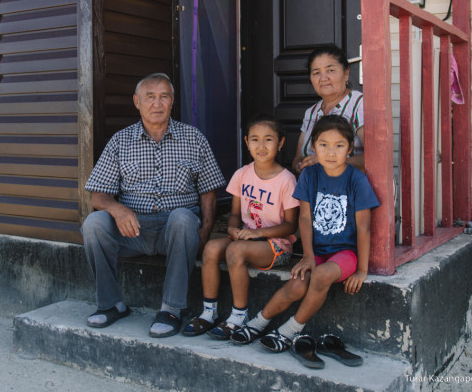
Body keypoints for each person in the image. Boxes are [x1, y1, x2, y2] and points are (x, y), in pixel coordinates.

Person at [81, 73, 226, 338]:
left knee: (183, 217)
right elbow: (98, 196)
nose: (157, 103)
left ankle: (171, 309)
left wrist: (204, 233)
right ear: (137, 102)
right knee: (94, 223)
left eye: (164, 96)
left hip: (175, 230)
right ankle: (111, 304)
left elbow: (209, 192)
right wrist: (119, 210)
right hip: (132, 230)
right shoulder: (120, 141)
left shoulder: (193, 138)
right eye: (150, 97)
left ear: (172, 101)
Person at [230, 115, 379, 367]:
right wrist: (308, 255)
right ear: (313, 146)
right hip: (316, 251)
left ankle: (289, 330)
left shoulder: (357, 179)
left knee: (320, 276)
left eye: (339, 145)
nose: (330, 152)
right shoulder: (310, 175)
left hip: (345, 253)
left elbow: (364, 227)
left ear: (350, 148)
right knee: (297, 285)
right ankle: (258, 323)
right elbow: (305, 218)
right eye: (323, 145)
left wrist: (362, 270)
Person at [182, 115, 299, 340]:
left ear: (281, 143)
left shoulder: (286, 180)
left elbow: (290, 226)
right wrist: (232, 229)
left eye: (268, 139)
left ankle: (239, 316)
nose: (261, 146)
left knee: (235, 251)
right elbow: (235, 214)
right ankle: (209, 312)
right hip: (247, 238)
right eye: (255, 139)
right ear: (246, 142)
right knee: (211, 248)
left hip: (276, 246)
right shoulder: (242, 174)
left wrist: (258, 233)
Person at [292, 45, 365, 175]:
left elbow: (374, 158)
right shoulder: (311, 112)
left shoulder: (359, 104)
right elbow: (298, 158)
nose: (323, 78)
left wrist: (328, 163)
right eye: (316, 73)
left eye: (330, 70)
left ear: (346, 73)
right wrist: (300, 166)